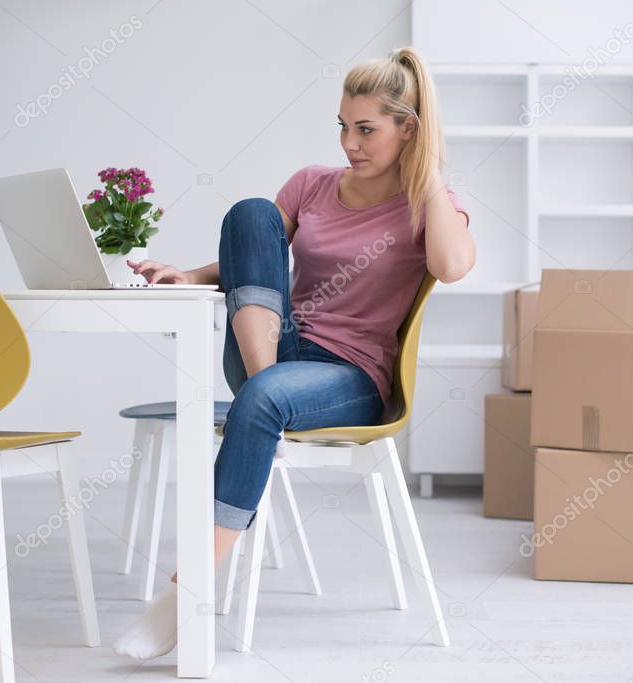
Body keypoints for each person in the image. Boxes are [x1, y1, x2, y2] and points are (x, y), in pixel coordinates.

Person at [113, 45, 473, 659]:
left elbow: (453, 264)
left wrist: (431, 169)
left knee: (264, 399)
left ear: (407, 129)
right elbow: (253, 253)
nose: (349, 144)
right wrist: (192, 277)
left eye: (366, 130)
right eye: (342, 126)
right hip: (274, 349)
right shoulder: (311, 185)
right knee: (252, 213)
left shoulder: (425, 205)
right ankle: (265, 393)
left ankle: (186, 591)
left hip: (350, 377)